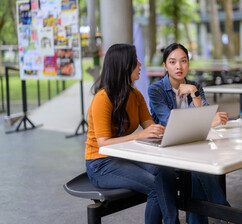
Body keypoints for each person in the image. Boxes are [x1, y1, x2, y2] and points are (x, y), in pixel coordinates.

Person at [85, 43, 179, 224]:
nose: (140, 64)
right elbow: (103, 143)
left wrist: (174, 131)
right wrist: (138, 136)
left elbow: (151, 127)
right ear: (124, 65)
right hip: (100, 163)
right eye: (135, 61)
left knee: (165, 172)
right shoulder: (102, 99)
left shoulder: (135, 95)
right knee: (154, 186)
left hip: (124, 156)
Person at [148, 43, 231, 224]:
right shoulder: (156, 90)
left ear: (188, 63)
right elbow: (169, 122)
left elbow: (203, 116)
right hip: (168, 151)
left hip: (193, 146)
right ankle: (227, 214)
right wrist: (207, 120)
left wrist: (194, 94)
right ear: (165, 66)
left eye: (183, 61)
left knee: (198, 167)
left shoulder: (195, 87)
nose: (179, 66)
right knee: (199, 166)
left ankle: (223, 216)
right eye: (172, 62)